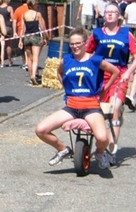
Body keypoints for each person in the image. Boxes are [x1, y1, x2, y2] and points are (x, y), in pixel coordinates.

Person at [35, 27, 119, 169]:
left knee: (103, 138)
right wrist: (66, 88)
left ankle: (99, 153)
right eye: (72, 44)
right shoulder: (66, 60)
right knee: (40, 130)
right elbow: (59, 72)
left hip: (91, 107)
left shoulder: (95, 60)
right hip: (71, 107)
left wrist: (103, 89)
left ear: (85, 43)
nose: (75, 47)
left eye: (78, 43)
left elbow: (115, 71)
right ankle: (63, 150)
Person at [86, 3, 136, 154]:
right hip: (99, 76)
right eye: (107, 12)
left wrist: (128, 72)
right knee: (95, 109)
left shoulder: (126, 34)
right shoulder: (96, 34)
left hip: (119, 76)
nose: (110, 14)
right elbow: (86, 54)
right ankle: (96, 143)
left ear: (119, 16)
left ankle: (111, 147)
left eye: (113, 12)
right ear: (104, 15)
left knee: (115, 108)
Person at [18, 0, 48, 85]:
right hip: (35, 37)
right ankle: (34, 76)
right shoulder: (37, 14)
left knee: (29, 59)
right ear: (33, 5)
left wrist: (20, 40)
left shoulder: (24, 14)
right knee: (35, 58)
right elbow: (42, 27)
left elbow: (22, 29)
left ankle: (30, 75)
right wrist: (45, 37)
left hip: (27, 37)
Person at [0, 0, 14, 67]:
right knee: (8, 45)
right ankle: (9, 61)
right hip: (8, 27)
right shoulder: (9, 8)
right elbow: (13, 18)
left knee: (1, 45)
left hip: (0, 28)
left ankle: (2, 62)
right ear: (7, 0)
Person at [13, 0, 29, 70]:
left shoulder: (18, 10)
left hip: (20, 31)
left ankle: (25, 62)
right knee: (27, 48)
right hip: (29, 31)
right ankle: (27, 63)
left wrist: (14, 32)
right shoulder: (30, 9)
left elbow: (14, 21)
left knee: (22, 48)